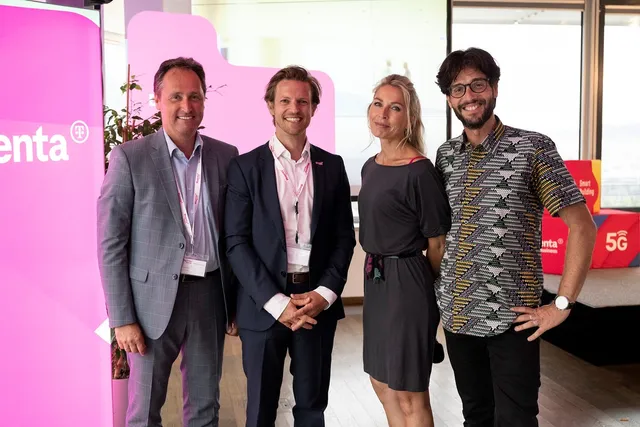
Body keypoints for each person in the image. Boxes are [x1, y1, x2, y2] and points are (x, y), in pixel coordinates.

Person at [434, 47, 597, 426]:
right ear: (449, 99)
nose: (469, 96)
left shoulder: (532, 148)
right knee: (475, 416)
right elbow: (441, 237)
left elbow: (582, 226)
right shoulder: (446, 156)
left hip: (514, 318)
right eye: (458, 89)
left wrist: (561, 304)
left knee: (516, 420)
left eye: (478, 85)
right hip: (458, 315)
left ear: (494, 88)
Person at [97, 57, 239, 427]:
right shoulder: (130, 158)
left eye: (195, 96)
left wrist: (236, 302)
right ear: (158, 100)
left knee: (206, 408)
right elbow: (111, 243)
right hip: (149, 304)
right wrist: (122, 318)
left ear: (204, 100)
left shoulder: (226, 156)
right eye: (176, 96)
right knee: (144, 412)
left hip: (209, 295)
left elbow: (235, 236)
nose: (186, 106)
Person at [224, 65, 356, 427]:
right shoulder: (245, 167)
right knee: (260, 410)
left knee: (312, 407)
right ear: (270, 106)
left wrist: (325, 294)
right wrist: (276, 302)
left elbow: (344, 238)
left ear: (313, 108)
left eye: (302, 101)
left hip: (316, 303)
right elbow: (236, 243)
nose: (293, 108)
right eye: (285, 101)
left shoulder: (332, 166)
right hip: (263, 304)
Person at [358, 74, 451, 427]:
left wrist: (418, 285)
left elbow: (437, 244)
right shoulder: (370, 166)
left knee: (409, 392)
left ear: (410, 118)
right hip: (376, 280)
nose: (383, 114)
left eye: (394, 107)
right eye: (378, 104)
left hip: (407, 281)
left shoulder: (420, 172)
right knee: (381, 382)